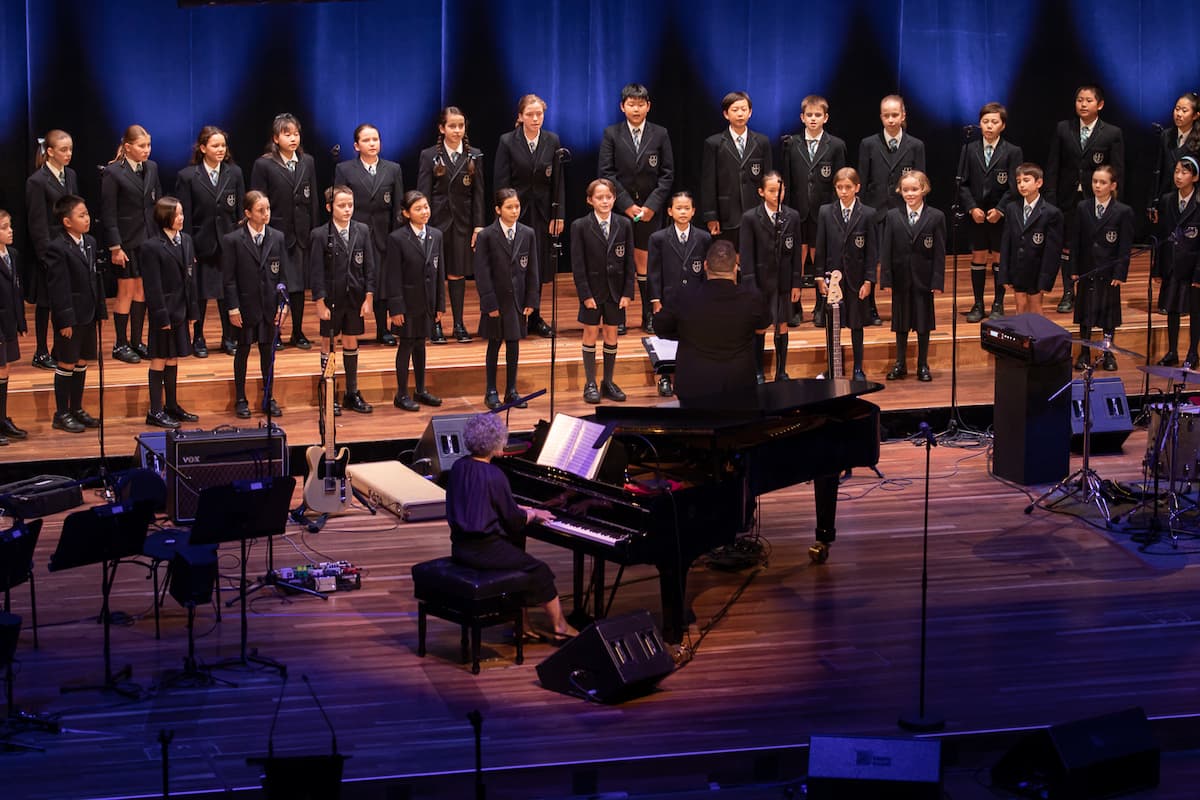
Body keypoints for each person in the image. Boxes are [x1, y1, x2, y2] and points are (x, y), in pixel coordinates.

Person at [446, 413, 576, 642]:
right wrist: (533, 513)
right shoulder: (494, 474)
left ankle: (523, 624)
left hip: (460, 547)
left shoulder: (458, 467)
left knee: (517, 556)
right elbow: (513, 519)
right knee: (538, 570)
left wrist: (519, 507)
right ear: (496, 443)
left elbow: (480, 502)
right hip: (484, 551)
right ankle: (560, 627)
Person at [598, 83, 675, 334]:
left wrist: (651, 206)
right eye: (631, 104)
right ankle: (617, 315)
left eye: (641, 104)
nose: (636, 109)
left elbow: (667, 175)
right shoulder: (611, 134)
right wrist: (627, 205)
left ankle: (648, 314)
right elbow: (606, 174)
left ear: (648, 106)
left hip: (650, 210)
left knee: (646, 263)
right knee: (618, 260)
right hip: (619, 209)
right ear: (623, 107)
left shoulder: (660, 134)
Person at [653, 239, 767, 405]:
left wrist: (684, 331)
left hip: (695, 386)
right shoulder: (752, 297)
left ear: (705, 266)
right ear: (736, 267)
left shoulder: (684, 296)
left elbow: (660, 327)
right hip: (739, 385)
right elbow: (762, 326)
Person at [1044, 85, 1125, 313]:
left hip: (1098, 199)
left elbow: (1118, 170)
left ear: (1099, 105)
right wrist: (1050, 197)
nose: (1083, 104)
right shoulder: (1063, 129)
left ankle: (1093, 291)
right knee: (1067, 246)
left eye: (1088, 100)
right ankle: (1069, 292)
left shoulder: (1111, 133)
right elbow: (1053, 166)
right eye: (1079, 99)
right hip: (1067, 199)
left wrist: (1116, 202)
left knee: (1094, 246)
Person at [494, 94, 564, 339]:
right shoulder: (507, 141)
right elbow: (501, 181)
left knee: (537, 266)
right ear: (520, 116)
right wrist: (505, 212)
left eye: (539, 114)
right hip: (516, 212)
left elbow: (558, 182)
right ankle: (513, 316)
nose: (535, 119)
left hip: (543, 213)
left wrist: (559, 214)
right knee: (514, 265)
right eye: (530, 114)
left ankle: (534, 316)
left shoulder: (552, 140)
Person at [250, 112, 319, 350]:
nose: (293, 138)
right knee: (275, 286)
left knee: (298, 287)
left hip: (301, 234)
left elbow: (313, 200)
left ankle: (298, 332)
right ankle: (274, 332)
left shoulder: (307, 161)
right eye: (287, 134)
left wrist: (313, 230)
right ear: (275, 138)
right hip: (276, 233)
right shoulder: (264, 164)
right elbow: (257, 199)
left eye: (296, 133)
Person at [418, 107, 485, 344]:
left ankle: (458, 323)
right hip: (436, 223)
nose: (457, 130)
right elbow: (423, 192)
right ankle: (434, 323)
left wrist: (478, 226)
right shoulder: (429, 156)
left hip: (462, 224)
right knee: (434, 274)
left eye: (461, 126)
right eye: (452, 126)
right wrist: (422, 223)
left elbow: (478, 194)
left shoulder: (474, 156)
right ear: (442, 128)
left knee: (457, 273)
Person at [176, 125, 244, 357]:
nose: (220, 150)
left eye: (223, 145)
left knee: (228, 293)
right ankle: (199, 337)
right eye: (215, 145)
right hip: (200, 243)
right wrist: (187, 246)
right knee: (200, 295)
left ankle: (229, 337)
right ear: (203, 148)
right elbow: (183, 215)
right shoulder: (188, 176)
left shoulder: (234, 173)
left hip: (227, 242)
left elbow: (240, 213)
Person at [859, 95, 926, 327]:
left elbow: (921, 182)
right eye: (886, 115)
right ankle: (871, 306)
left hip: (902, 213)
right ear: (880, 117)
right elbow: (863, 180)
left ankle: (902, 308)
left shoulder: (915, 146)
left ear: (903, 115)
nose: (890, 119)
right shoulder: (868, 144)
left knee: (900, 261)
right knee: (872, 261)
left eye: (895, 115)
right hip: (875, 212)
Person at [335, 123, 404, 346]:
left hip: (384, 235)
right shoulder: (345, 170)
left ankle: (383, 329)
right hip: (356, 234)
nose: (372, 143)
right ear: (356, 145)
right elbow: (339, 202)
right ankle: (350, 328)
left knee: (382, 283)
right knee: (357, 281)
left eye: (375, 139)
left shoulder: (393, 169)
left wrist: (397, 236)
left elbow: (397, 207)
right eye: (366, 140)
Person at [221, 190, 288, 419]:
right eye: (260, 210)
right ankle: (241, 398)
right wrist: (233, 308)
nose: (266, 214)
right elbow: (228, 279)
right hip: (245, 306)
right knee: (243, 351)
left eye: (268, 209)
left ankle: (268, 396)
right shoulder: (233, 240)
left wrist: (283, 306)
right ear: (248, 213)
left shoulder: (277, 237)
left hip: (269, 306)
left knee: (268, 352)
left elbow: (283, 276)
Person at [309, 185, 376, 414]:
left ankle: (352, 392)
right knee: (329, 342)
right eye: (341, 205)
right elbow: (315, 272)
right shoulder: (320, 234)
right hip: (331, 299)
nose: (347, 210)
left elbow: (369, 266)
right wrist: (319, 302)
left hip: (355, 298)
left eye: (350, 205)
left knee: (351, 341)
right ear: (329, 207)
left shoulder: (362, 230)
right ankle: (329, 392)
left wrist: (368, 297)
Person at [782, 94, 847, 328]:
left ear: (826, 118)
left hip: (824, 212)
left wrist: (834, 212)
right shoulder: (791, 145)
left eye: (817, 115)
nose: (813, 119)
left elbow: (839, 182)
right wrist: (786, 211)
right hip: (797, 211)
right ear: (802, 117)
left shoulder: (836, 145)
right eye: (809, 115)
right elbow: (787, 181)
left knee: (821, 259)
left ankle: (822, 305)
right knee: (796, 260)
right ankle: (794, 306)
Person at [570, 178, 634, 404]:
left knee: (611, 334)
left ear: (614, 198)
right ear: (590, 200)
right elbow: (578, 265)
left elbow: (629, 261)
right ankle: (590, 382)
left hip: (616, 291)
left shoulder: (624, 224)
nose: (604, 201)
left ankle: (608, 381)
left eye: (608, 197)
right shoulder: (580, 226)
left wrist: (628, 292)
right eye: (599, 197)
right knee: (590, 333)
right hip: (593, 292)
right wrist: (585, 294)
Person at [474, 188, 539, 410]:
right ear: (498, 209)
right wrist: (489, 302)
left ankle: (511, 390)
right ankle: (491, 390)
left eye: (517, 207)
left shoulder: (527, 233)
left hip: (518, 300)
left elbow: (532, 270)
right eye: (509, 207)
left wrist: (532, 299)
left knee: (513, 344)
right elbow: (482, 272)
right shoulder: (487, 236)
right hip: (497, 300)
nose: (514, 211)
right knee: (494, 344)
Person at [45, 195, 105, 434]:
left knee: (81, 362)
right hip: (70, 315)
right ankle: (61, 413)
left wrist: (99, 310)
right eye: (81, 215)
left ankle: (77, 408)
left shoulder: (89, 242)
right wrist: (65, 319)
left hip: (88, 313)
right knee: (67, 362)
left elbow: (94, 279)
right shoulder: (56, 247)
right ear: (67, 221)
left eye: (87, 213)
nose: (87, 218)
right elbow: (58, 287)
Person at [139, 197, 200, 429]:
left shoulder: (186, 241)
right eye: (177, 214)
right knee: (159, 358)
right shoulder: (151, 246)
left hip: (181, 310)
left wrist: (193, 310)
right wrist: (160, 316)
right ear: (165, 216)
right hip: (163, 313)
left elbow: (190, 278)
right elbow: (152, 286)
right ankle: (155, 410)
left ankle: (171, 405)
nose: (181, 218)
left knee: (173, 357)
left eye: (182, 213)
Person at [101, 124, 160, 364]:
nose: (147, 150)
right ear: (128, 147)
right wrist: (115, 246)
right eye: (141, 146)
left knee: (142, 290)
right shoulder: (113, 172)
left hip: (147, 239)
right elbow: (108, 213)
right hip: (125, 242)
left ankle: (137, 340)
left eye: (148, 145)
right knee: (125, 290)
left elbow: (156, 204)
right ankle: (120, 343)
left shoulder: (152, 168)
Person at [959, 102, 1022, 322]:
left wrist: (1000, 209)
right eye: (985, 121)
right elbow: (962, 183)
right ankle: (978, 303)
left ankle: (998, 302)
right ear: (979, 123)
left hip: (999, 214)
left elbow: (1015, 186)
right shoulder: (969, 149)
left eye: (994, 122)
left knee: (998, 256)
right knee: (978, 256)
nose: (989, 126)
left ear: (1002, 125)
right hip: (976, 214)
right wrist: (971, 207)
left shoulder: (1012, 151)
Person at [880, 170, 945, 382]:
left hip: (924, 280)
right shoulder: (892, 216)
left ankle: (922, 364)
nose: (910, 194)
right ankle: (900, 363)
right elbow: (886, 249)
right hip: (900, 279)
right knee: (901, 323)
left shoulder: (935, 217)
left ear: (924, 190)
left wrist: (937, 280)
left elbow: (939, 253)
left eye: (914, 189)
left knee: (923, 323)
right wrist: (886, 279)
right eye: (906, 190)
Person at [813, 168, 877, 381]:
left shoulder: (867, 214)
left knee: (857, 324)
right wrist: (820, 276)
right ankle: (833, 367)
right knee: (833, 326)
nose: (843, 191)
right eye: (839, 187)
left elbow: (871, 251)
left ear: (857, 188)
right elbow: (820, 246)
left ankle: (858, 367)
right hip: (833, 280)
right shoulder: (825, 212)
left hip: (857, 279)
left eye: (848, 187)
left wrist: (869, 280)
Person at [383, 190, 444, 412]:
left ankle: (420, 389)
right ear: (406, 213)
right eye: (418, 209)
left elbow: (439, 271)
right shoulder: (397, 238)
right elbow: (393, 275)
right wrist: (396, 307)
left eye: (426, 207)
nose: (424, 212)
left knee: (421, 344)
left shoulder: (436, 235)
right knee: (407, 344)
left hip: (427, 301)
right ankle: (401, 393)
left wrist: (440, 305)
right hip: (407, 303)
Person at [646, 190, 711, 396]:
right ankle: (665, 377)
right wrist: (655, 299)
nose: (682, 212)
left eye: (686, 208)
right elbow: (653, 271)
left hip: (695, 298)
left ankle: (691, 376)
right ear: (670, 211)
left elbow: (707, 270)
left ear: (693, 212)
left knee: (693, 338)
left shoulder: (703, 237)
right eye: (678, 208)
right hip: (669, 298)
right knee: (667, 339)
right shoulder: (659, 238)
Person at [739, 171, 800, 382]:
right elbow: (746, 255)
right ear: (761, 192)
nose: (777, 195)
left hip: (783, 281)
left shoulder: (792, 216)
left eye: (780, 190)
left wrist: (796, 283)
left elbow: (796, 254)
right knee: (760, 326)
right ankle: (758, 371)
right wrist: (749, 286)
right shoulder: (750, 218)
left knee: (782, 323)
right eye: (772, 191)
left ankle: (781, 371)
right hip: (759, 282)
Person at [1071, 164, 1133, 372]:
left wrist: (1120, 272)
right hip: (1088, 268)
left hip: (1109, 271)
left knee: (1108, 314)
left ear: (1112, 185)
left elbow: (1124, 245)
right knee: (1085, 313)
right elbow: (1076, 241)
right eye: (1095, 181)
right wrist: (1073, 269)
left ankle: (1108, 353)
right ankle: (1085, 352)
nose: (1097, 186)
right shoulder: (1083, 207)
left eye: (1103, 182)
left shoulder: (1122, 211)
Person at [25, 130, 78, 371]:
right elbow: (37, 223)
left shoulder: (71, 175)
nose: (68, 154)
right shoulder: (37, 181)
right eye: (63, 150)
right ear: (50, 152)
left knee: (63, 300)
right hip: (50, 251)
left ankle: (60, 347)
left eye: (70, 149)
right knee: (46, 302)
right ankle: (41, 350)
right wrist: (45, 255)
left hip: (69, 247)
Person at [700, 91, 771, 246]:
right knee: (728, 256)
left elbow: (768, 180)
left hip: (756, 211)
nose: (740, 114)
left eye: (744, 109)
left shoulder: (762, 142)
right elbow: (708, 183)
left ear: (750, 112)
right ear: (726, 114)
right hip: (726, 213)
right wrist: (711, 216)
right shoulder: (714, 143)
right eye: (735, 110)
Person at [998, 163, 1064, 316]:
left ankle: (1038, 339)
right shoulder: (1012, 208)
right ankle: (1022, 338)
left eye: (1026, 180)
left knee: (1035, 308)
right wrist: (1004, 274)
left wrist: (1045, 279)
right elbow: (1006, 243)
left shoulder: (1051, 213)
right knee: (1020, 306)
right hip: (1017, 269)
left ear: (1039, 183)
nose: (1021, 185)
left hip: (1036, 270)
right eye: (1019, 181)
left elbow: (1052, 252)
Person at [1154, 157, 1200, 366]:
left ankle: (1192, 352)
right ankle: (1172, 351)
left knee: (1195, 311)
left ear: (1195, 177)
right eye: (1176, 171)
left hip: (1192, 266)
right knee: (1171, 308)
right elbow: (1162, 235)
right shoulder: (1167, 200)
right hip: (1171, 264)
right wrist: (1158, 268)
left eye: (1184, 172)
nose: (1179, 176)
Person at [0, 210, 28, 443]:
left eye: (10, 226)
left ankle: (2, 418)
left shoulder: (13, 254)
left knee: (5, 370)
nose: (10, 231)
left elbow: (15, 291)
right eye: (4, 227)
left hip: (8, 322)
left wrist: (20, 321)